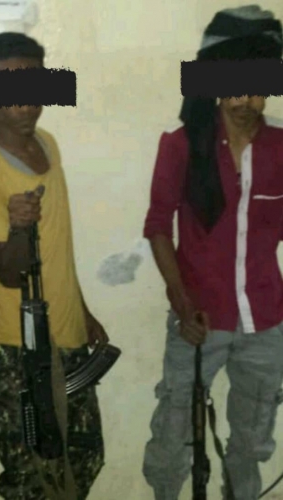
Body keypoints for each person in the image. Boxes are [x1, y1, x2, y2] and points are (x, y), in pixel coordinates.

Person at [0, 32, 108, 500]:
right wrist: (19, 226)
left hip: (66, 327)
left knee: (84, 456)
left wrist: (81, 311)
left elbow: (60, 244)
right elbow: (9, 273)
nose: (23, 102)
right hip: (12, 339)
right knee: (30, 473)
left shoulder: (48, 143)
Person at [142, 5, 283, 500]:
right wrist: (181, 303)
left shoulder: (281, 148)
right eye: (237, 87)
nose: (249, 100)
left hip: (265, 321)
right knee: (175, 432)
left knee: (253, 439)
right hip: (198, 316)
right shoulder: (183, 144)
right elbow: (158, 226)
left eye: (259, 87)